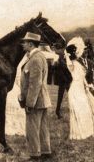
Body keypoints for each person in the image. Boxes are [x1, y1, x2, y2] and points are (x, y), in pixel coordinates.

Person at [18, 32, 52, 160]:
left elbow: (35, 83)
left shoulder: (36, 58)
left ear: (31, 44)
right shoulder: (37, 56)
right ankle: (45, 151)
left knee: (32, 128)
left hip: (36, 100)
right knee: (42, 127)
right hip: (42, 99)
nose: (23, 44)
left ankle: (35, 154)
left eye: (25, 42)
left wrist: (29, 103)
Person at [65, 43, 94, 140]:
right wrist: (67, 56)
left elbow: (82, 77)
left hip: (81, 87)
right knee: (78, 109)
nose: (80, 53)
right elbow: (73, 72)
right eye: (77, 51)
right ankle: (79, 131)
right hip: (75, 89)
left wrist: (87, 86)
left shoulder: (77, 63)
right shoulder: (71, 63)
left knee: (85, 108)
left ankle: (87, 130)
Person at [52, 43, 72, 119]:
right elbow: (54, 69)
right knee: (60, 97)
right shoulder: (58, 57)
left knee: (69, 96)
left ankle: (59, 111)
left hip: (67, 79)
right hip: (62, 80)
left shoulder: (64, 56)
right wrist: (55, 64)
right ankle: (57, 111)